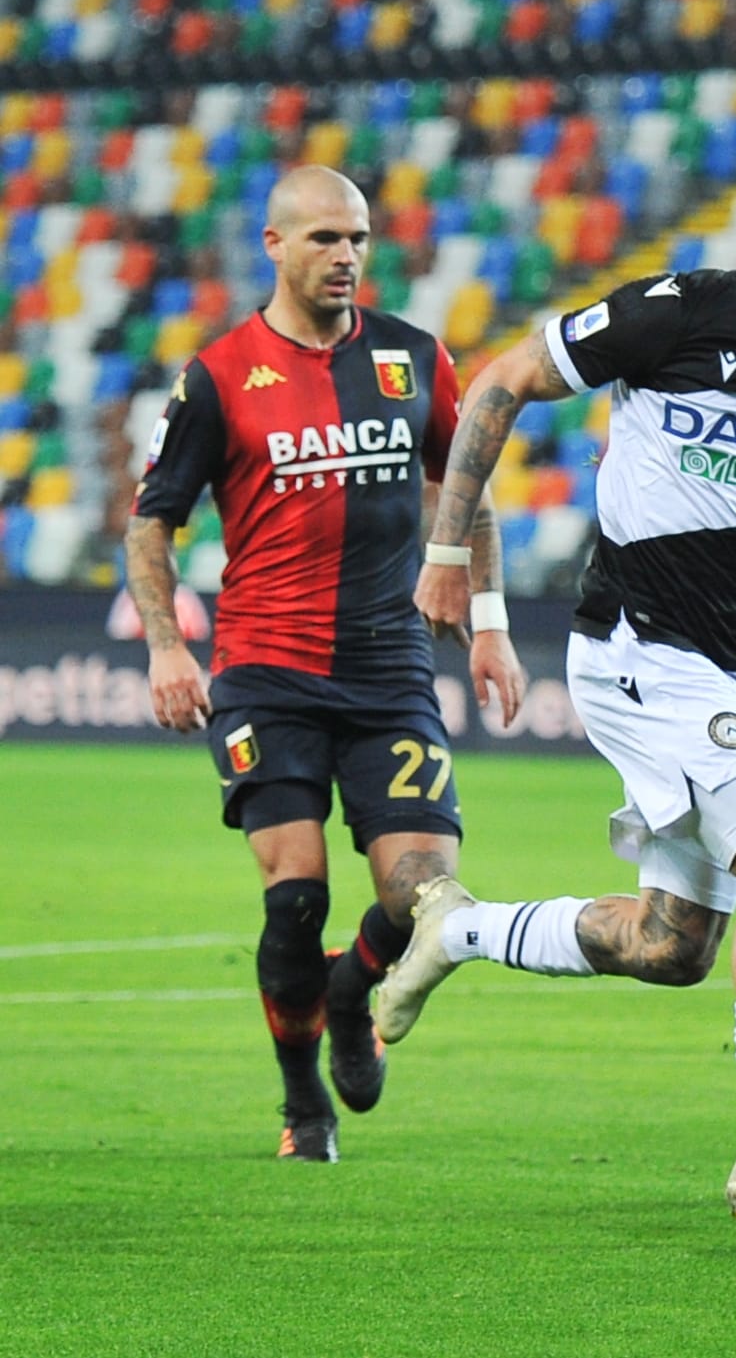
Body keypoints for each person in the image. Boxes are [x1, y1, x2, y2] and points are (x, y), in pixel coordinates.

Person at [375, 177, 736, 1237]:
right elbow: (501, 384)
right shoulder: (675, 312)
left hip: (724, 670)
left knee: (671, 947)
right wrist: (447, 554)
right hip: (635, 647)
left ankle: (462, 929)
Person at [124, 165, 526, 1163]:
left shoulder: (409, 357)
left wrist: (488, 620)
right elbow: (151, 523)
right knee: (294, 893)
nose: (345, 256)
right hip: (267, 667)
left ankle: (352, 997)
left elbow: (466, 488)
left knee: (421, 895)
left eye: (356, 238)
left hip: (391, 664)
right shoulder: (219, 375)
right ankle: (304, 1104)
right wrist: (170, 644)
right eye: (323, 240)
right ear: (274, 246)